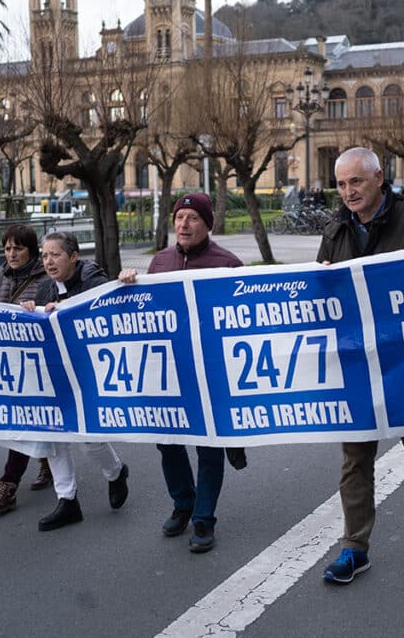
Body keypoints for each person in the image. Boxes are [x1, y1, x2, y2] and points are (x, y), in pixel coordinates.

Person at [316, 147, 404, 585]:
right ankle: (355, 547)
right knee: (355, 457)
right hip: (357, 357)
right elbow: (323, 286)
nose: (348, 192)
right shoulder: (336, 227)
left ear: (378, 178)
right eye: (340, 184)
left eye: (356, 181)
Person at [118, 192, 243, 553]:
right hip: (168, 370)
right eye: (179, 218)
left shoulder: (227, 264)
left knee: (208, 446)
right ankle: (183, 501)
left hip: (210, 371)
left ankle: (204, 517)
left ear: (207, 224)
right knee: (168, 441)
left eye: (192, 218)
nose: (184, 225)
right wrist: (129, 286)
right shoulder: (159, 262)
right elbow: (145, 311)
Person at [10, 232, 131, 531]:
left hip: (88, 371)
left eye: (55, 255)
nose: (48, 261)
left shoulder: (93, 281)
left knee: (89, 439)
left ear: (73, 256)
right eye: (45, 255)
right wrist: (31, 311)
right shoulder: (45, 288)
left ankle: (116, 472)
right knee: (55, 436)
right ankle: (67, 500)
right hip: (57, 374)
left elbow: (107, 314)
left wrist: (65, 310)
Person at [0, 225, 56, 514]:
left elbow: (54, 309)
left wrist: (37, 310)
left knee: (25, 420)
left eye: (18, 248)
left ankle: (8, 485)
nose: (11, 253)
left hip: (38, 364)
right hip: (6, 363)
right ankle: (47, 461)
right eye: (8, 248)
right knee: (34, 419)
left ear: (31, 251)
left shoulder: (45, 278)